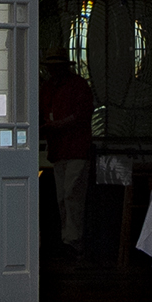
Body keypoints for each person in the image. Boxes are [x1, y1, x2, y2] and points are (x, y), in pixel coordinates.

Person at [40, 55, 95, 247]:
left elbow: (82, 115)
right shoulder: (47, 88)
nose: (52, 71)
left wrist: (56, 125)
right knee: (63, 197)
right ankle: (68, 237)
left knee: (72, 194)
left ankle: (73, 238)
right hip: (58, 150)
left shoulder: (78, 86)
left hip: (76, 149)